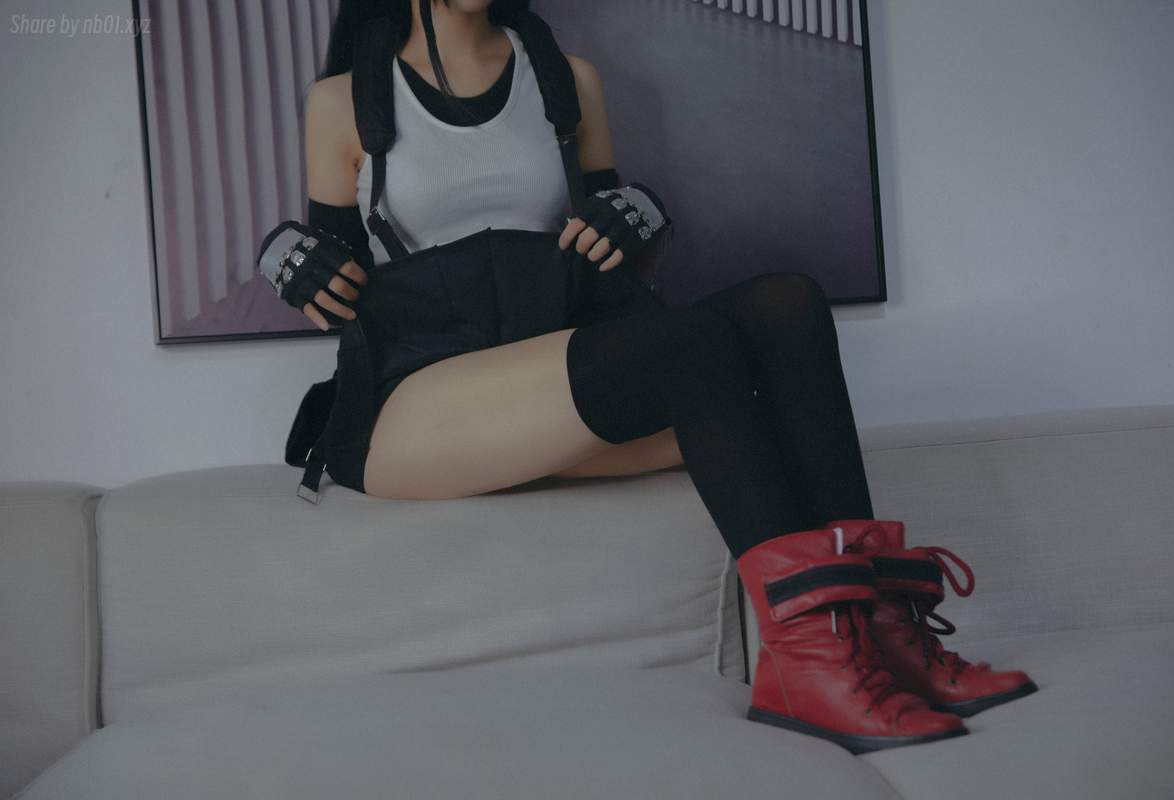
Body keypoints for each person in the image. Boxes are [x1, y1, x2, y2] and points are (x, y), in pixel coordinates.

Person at [258, 0, 1036, 755]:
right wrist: (285, 258)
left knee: (789, 306)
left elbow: (617, 264)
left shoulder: (567, 81)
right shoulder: (342, 102)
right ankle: (807, 664)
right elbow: (338, 294)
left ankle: (883, 632)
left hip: (547, 370)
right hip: (417, 400)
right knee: (691, 344)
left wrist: (636, 211)